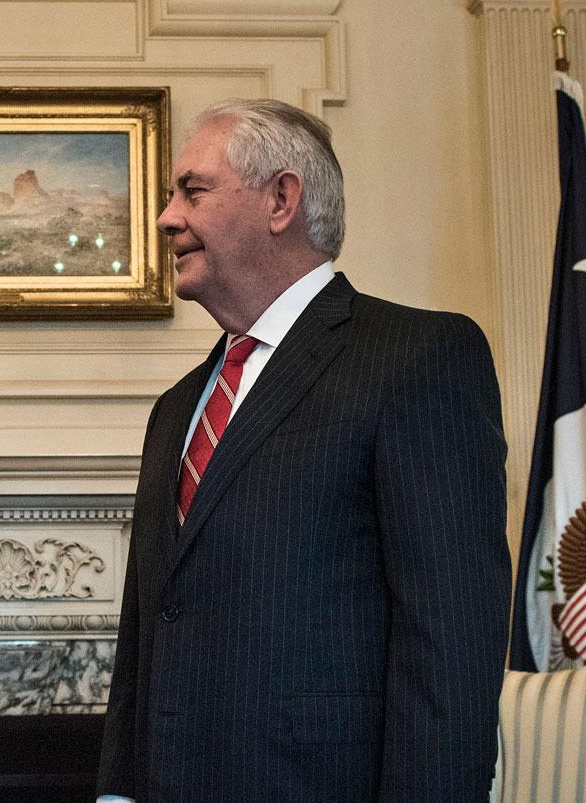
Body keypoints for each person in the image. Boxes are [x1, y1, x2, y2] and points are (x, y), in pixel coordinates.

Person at [96, 98, 511, 801]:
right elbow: (146, 634)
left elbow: (450, 649)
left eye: (191, 190)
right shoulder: (176, 409)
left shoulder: (417, 356)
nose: (166, 217)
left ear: (280, 199)